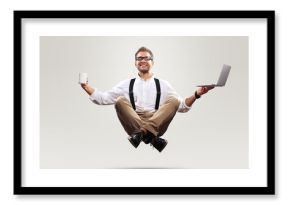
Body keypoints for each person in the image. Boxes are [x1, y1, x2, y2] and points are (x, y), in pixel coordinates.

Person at [81, 47, 213, 152]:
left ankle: (143, 134)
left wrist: (197, 94)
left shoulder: (163, 84)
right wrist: (85, 86)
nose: (143, 60)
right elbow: (103, 98)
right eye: (139, 58)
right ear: (135, 63)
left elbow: (182, 107)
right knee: (120, 101)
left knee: (174, 100)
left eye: (146, 58)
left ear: (152, 62)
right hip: (133, 122)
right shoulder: (126, 84)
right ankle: (152, 139)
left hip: (157, 123)